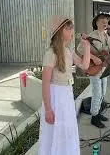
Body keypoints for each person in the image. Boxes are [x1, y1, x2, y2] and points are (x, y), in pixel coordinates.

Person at [38, 16, 90, 155]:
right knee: (54, 130)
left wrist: (86, 47)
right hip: (55, 96)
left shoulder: (69, 51)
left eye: (72, 27)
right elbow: (45, 85)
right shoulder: (50, 53)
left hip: (67, 93)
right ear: (60, 32)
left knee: (66, 129)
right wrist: (48, 109)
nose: (72, 30)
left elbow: (84, 65)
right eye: (68, 28)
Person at [79, 13, 110, 128]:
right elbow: (80, 49)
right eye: (102, 20)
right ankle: (94, 117)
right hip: (94, 68)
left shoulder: (107, 36)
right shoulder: (91, 35)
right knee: (97, 93)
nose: (105, 23)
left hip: (104, 68)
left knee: (103, 93)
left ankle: (98, 113)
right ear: (96, 22)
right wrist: (93, 58)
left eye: (107, 21)